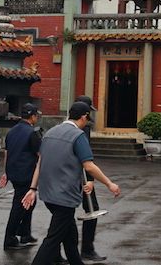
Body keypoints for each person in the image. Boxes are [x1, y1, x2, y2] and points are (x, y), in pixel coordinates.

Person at [26, 102, 120, 265]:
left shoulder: (50, 132)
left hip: (48, 194)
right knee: (53, 239)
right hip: (65, 196)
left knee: (70, 236)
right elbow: (89, 166)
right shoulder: (78, 136)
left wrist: (33, 188)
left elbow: (40, 163)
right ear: (84, 116)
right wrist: (109, 183)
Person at [0, 103, 42, 250]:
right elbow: (40, 155)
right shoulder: (32, 133)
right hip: (27, 174)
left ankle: (25, 234)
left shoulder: (12, 131)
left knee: (28, 203)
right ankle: (9, 238)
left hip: (14, 173)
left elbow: (7, 152)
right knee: (19, 206)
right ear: (33, 116)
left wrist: (6, 172)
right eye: (37, 115)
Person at [74, 95, 106, 262]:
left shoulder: (63, 127)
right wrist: (90, 179)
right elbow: (85, 159)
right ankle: (87, 248)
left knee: (62, 214)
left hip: (66, 176)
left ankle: (56, 250)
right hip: (81, 177)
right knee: (92, 210)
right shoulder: (82, 129)